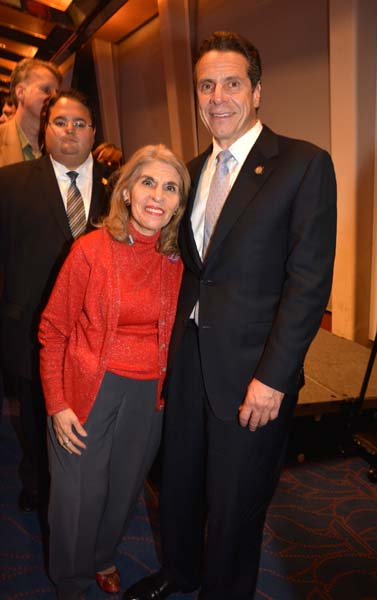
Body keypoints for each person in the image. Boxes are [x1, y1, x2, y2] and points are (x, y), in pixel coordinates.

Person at [124, 31, 337, 600]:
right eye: (207, 85)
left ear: (258, 91)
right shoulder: (189, 171)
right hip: (189, 363)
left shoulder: (302, 164)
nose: (218, 96)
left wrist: (273, 378)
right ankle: (180, 571)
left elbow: (309, 282)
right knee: (181, 483)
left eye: (232, 83)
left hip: (253, 372)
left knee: (237, 501)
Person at [38, 144, 190, 599]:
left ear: (180, 204)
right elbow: (53, 329)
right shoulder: (90, 250)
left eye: (170, 188)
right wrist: (58, 403)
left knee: (124, 489)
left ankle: (103, 554)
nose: (157, 196)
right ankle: (70, 579)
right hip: (87, 387)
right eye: (148, 182)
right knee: (75, 497)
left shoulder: (177, 261)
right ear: (126, 191)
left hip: (149, 396)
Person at [0, 89, 109, 513]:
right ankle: (35, 483)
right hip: (29, 328)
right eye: (60, 122)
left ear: (94, 132)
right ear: (45, 130)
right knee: (32, 415)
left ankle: (86, 490)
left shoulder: (119, 186)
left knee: (91, 417)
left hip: (96, 334)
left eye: (79, 124)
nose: (70, 131)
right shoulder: (10, 184)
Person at [0, 57, 61, 167]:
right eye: (46, 90)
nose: (54, 98)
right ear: (21, 92)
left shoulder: (62, 144)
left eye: (57, 93)